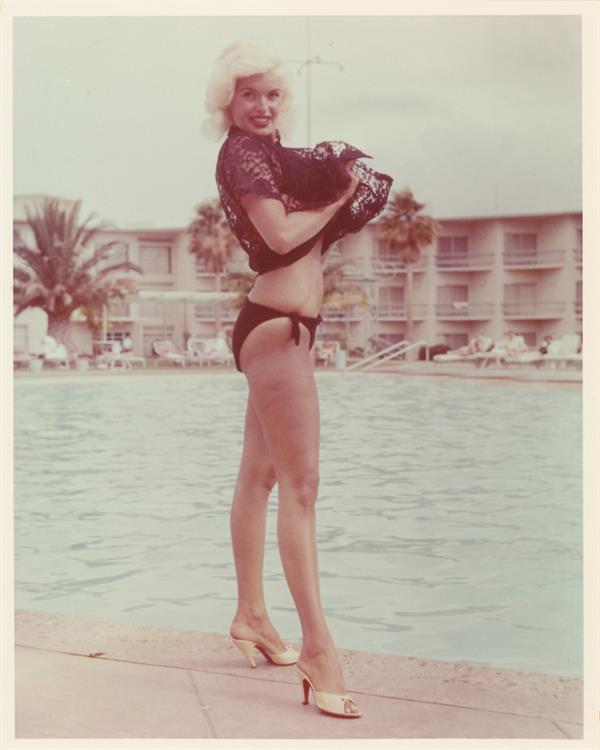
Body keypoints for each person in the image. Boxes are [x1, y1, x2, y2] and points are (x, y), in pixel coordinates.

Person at [204, 40, 392, 719]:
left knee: (261, 478)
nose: (262, 105)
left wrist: (334, 187)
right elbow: (281, 238)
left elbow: (303, 228)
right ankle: (319, 650)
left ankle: (252, 614)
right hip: (276, 329)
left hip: (279, 326)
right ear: (227, 100)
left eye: (272, 93)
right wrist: (340, 191)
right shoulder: (244, 155)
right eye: (248, 93)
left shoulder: (282, 161)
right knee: (303, 490)